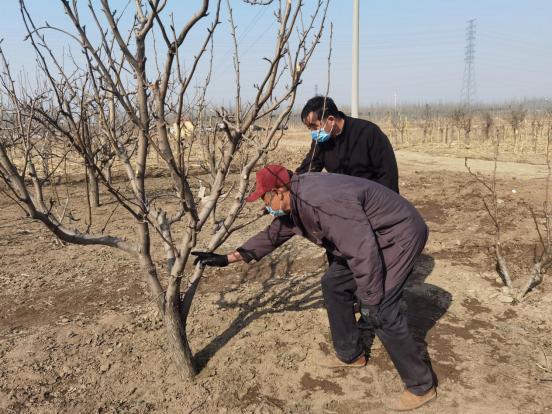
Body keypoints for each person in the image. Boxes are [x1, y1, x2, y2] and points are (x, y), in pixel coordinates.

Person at [193, 165, 436, 411]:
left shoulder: (322, 202)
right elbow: (272, 236)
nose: (265, 207)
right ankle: (351, 354)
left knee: (381, 309)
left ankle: (421, 385)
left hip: (397, 235)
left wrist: (370, 298)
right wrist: (227, 258)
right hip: (369, 239)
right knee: (334, 284)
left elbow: (362, 250)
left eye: (266, 200)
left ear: (279, 191)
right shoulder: (295, 201)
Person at [296, 95, 399, 193]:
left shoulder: (367, 133)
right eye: (309, 128)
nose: (312, 132)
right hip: (344, 199)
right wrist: (291, 181)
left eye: (314, 126)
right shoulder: (321, 141)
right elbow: (309, 168)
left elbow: (388, 175)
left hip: (373, 197)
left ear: (331, 120)